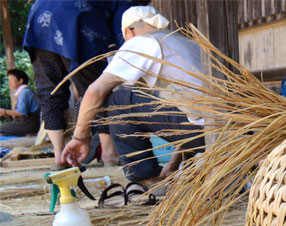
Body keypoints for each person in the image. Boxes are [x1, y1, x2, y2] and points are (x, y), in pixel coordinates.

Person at [61, 6, 205, 192]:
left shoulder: (142, 42)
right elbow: (193, 113)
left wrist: (80, 137)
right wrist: (172, 165)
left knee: (118, 101)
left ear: (129, 32)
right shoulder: (183, 41)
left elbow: (94, 92)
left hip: (203, 132)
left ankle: (147, 180)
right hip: (222, 133)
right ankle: (158, 180)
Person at [23, 0, 133, 167]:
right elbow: (126, 37)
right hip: (75, 20)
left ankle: (60, 156)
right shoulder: (126, 3)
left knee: (50, 91)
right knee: (97, 89)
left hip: (39, 18)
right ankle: (109, 154)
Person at [0, 69, 40, 136]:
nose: (9, 82)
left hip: (28, 124)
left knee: (1, 129)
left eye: (11, 80)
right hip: (26, 123)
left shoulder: (24, 92)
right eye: (9, 80)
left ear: (20, 81)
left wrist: (4, 111)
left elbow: (21, 112)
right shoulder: (24, 92)